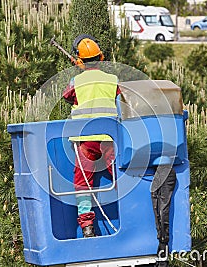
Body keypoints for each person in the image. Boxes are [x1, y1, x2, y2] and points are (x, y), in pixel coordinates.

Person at [62, 34, 120, 238]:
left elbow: (67, 96)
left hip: (85, 140)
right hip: (109, 138)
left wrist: (78, 72)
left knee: (83, 182)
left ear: (79, 61)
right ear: (101, 57)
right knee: (119, 175)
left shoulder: (76, 80)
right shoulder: (112, 80)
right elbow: (118, 97)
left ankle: (87, 227)